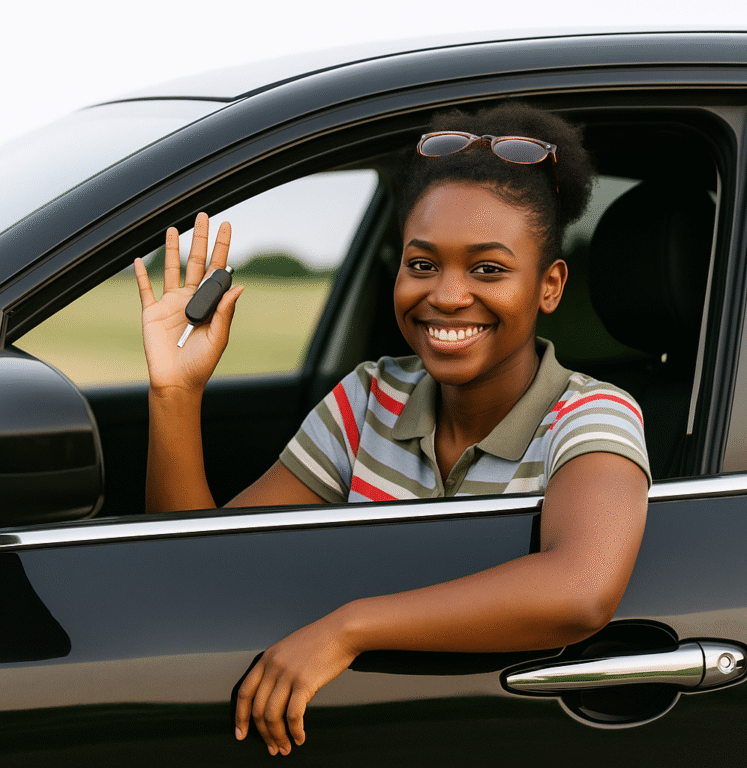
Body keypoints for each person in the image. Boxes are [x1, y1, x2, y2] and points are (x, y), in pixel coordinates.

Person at [134, 102, 650, 757]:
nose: (447, 295)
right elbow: (203, 577)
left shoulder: (592, 415)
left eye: (488, 269)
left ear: (549, 286)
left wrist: (351, 627)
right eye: (422, 264)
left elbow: (580, 591)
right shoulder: (369, 397)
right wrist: (175, 392)